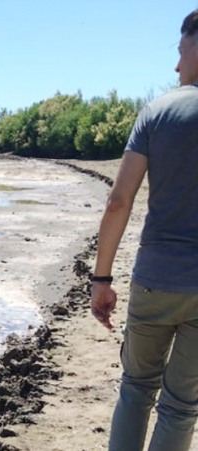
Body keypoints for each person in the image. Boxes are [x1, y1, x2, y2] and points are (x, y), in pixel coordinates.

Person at [91, 9, 198, 451]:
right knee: (182, 406)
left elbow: (119, 201)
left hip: (156, 279)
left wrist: (101, 279)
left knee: (137, 389)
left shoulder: (158, 111)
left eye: (180, 50)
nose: (175, 65)